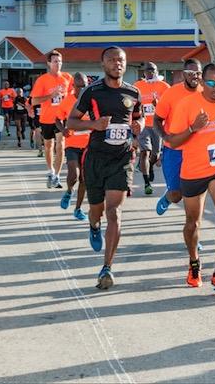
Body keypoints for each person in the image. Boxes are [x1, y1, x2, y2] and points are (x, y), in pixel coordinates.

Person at [68, 46, 143, 289]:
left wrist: (139, 124)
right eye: (111, 60)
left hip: (121, 159)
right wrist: (94, 124)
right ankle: (93, 225)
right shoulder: (92, 91)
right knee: (97, 211)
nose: (117, 64)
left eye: (120, 60)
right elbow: (71, 121)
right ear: (103, 65)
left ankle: (107, 267)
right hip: (96, 159)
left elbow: (138, 116)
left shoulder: (133, 92)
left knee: (114, 212)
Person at [167, 63, 215, 295]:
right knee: (193, 223)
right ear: (202, 82)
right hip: (193, 170)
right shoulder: (186, 105)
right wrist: (193, 128)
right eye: (211, 83)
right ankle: (194, 261)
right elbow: (173, 141)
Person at [154, 59, 202, 215]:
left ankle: (193, 235)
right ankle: (168, 197)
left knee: (194, 196)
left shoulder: (204, 93)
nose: (195, 76)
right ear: (184, 74)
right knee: (176, 195)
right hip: (174, 150)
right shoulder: (172, 93)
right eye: (191, 73)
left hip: (196, 152)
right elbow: (157, 119)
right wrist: (165, 137)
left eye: (198, 73)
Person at [31, 51, 73, 189]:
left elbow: (74, 95)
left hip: (62, 118)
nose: (58, 64)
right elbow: (34, 100)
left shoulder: (67, 77)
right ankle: (51, 171)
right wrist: (51, 95)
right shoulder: (42, 80)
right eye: (55, 61)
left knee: (60, 145)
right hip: (47, 117)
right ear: (49, 63)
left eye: (60, 61)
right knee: (49, 146)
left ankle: (57, 176)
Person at [56, 72, 90, 221]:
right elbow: (57, 118)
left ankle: (78, 209)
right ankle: (69, 191)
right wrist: (63, 130)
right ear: (73, 86)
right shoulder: (67, 101)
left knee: (85, 179)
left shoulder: (91, 101)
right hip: (72, 144)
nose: (82, 89)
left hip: (89, 145)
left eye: (85, 86)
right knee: (74, 174)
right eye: (79, 86)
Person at [133, 62, 170, 196]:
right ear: (144, 72)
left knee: (155, 154)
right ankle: (147, 183)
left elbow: (170, 106)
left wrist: (158, 105)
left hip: (157, 125)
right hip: (143, 125)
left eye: (152, 70)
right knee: (145, 152)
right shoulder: (137, 86)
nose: (150, 72)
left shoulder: (164, 87)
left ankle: (150, 167)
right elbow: (131, 105)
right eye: (147, 70)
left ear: (156, 71)